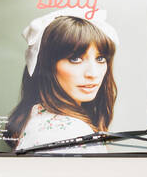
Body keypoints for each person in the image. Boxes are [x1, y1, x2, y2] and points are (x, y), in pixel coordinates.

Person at [7, 10, 119, 151]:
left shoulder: (36, 113)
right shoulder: (71, 133)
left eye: (100, 58)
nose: (93, 73)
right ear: (47, 65)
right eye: (75, 59)